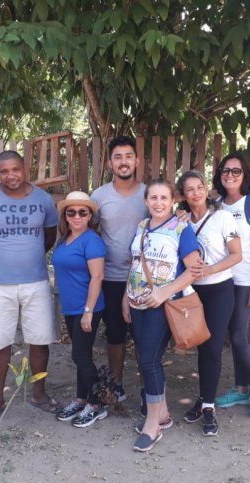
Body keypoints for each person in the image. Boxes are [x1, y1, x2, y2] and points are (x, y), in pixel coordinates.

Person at [0, 150, 60, 425]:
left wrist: (29, 260)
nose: (11, 176)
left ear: (25, 169)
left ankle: (39, 393)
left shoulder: (43, 200)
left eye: (15, 170)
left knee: (40, 339)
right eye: (4, 171)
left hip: (36, 281)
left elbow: (49, 237)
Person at [122, 178, 201, 452]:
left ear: (173, 201)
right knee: (146, 359)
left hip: (162, 305)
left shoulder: (181, 228)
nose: (158, 203)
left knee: (149, 361)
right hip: (137, 303)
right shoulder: (142, 226)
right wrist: (125, 297)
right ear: (146, 201)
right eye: (153, 198)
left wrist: (165, 292)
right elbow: (135, 264)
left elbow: (194, 270)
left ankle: (152, 425)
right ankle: (163, 414)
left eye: (163, 198)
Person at [176, 170, 242, 436]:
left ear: (207, 189)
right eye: (189, 189)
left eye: (200, 187)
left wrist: (210, 271)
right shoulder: (180, 221)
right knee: (198, 344)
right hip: (191, 293)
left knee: (212, 347)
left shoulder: (223, 217)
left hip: (219, 290)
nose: (196, 192)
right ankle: (203, 399)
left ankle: (208, 406)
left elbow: (236, 255)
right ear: (183, 195)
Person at [212, 152, 250, 418]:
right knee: (234, 337)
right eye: (226, 170)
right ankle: (241, 388)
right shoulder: (217, 205)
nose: (230, 175)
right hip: (223, 281)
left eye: (236, 171)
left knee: (238, 335)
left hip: (246, 280)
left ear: (245, 175)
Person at [90, 136, 148, 405]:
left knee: (145, 336)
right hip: (111, 277)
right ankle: (115, 384)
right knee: (115, 334)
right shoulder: (99, 196)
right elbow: (89, 234)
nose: (123, 161)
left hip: (144, 279)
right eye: (118, 157)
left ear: (137, 161)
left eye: (128, 156)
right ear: (111, 163)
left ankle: (150, 388)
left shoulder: (149, 194)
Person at [52, 191, 107, 427]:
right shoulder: (65, 239)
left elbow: (97, 277)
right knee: (79, 354)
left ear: (90, 215)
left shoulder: (91, 240)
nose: (76, 216)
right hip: (72, 307)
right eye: (71, 212)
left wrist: (88, 311)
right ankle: (81, 398)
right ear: (65, 215)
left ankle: (97, 404)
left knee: (80, 355)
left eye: (82, 212)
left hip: (88, 308)